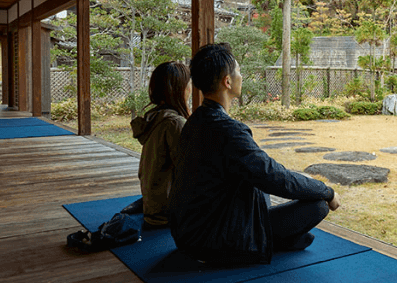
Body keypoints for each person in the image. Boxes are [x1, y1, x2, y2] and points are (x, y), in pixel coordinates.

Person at [170, 43, 340, 265]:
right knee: (316, 206)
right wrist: (327, 191)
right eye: (238, 71)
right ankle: (272, 241)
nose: (241, 76)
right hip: (212, 242)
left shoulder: (195, 122)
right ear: (227, 81)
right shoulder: (228, 131)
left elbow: (264, 173)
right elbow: (276, 178)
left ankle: (279, 238)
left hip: (187, 233)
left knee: (258, 185)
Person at [130, 61, 191, 228]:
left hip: (153, 206)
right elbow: (190, 171)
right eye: (189, 83)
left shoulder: (155, 117)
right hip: (166, 214)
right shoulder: (174, 123)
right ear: (180, 88)